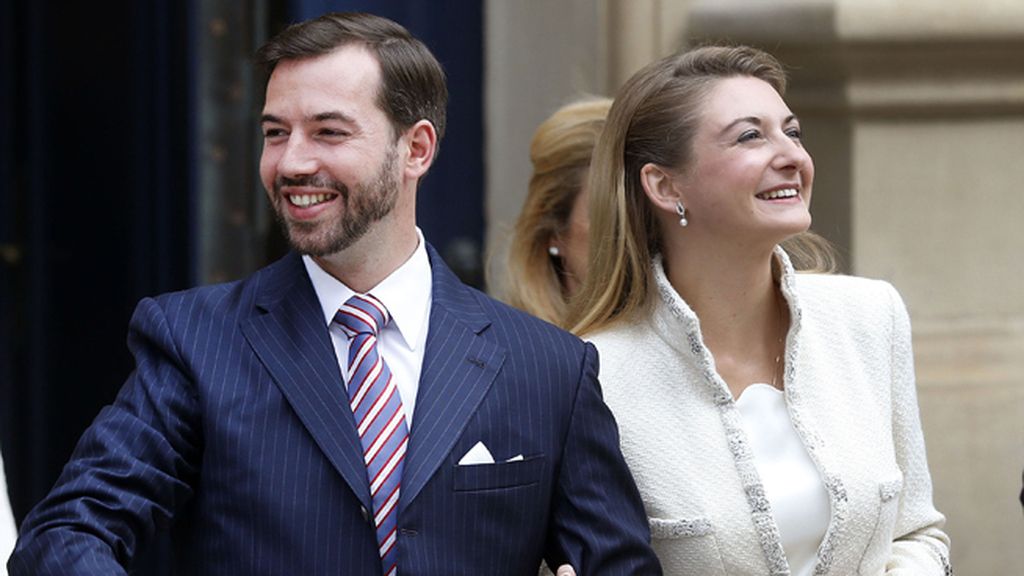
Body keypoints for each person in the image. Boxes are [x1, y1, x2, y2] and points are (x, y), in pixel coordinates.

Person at [8, 13, 659, 576]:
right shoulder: (194, 340)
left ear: (417, 149)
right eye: (274, 132)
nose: (291, 162)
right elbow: (67, 533)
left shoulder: (548, 367)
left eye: (328, 131)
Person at [565, 45, 951, 574]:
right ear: (664, 185)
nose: (792, 154)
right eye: (751, 135)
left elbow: (917, 532)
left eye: (792, 132)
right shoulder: (591, 375)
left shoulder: (868, 317)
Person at [504, 98, 611, 326]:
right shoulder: (517, 354)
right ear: (556, 233)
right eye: (608, 218)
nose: (634, 237)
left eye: (648, 218)